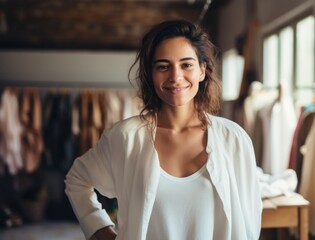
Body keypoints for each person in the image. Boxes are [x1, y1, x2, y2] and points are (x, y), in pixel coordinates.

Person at [65, 19, 262, 240]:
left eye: (186, 64)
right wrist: (99, 229)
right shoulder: (125, 137)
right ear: (150, 74)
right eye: (163, 66)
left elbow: (249, 218)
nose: (175, 76)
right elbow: (77, 180)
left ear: (202, 71)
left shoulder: (233, 138)